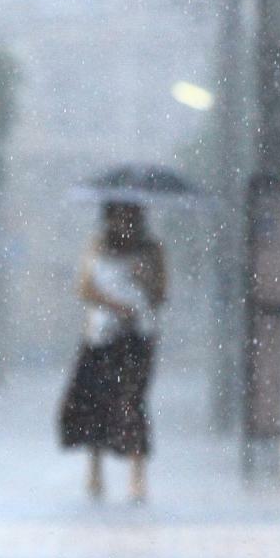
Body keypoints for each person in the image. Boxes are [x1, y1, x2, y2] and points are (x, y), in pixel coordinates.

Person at [59, 199, 168, 503]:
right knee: (92, 401)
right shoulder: (97, 246)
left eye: (131, 216)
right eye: (119, 216)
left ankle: (137, 477)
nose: (125, 223)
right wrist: (113, 304)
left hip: (137, 337)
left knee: (132, 402)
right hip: (100, 336)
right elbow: (84, 287)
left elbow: (160, 293)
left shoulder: (151, 250)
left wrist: (142, 277)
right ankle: (95, 470)